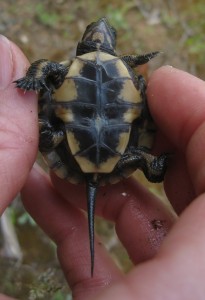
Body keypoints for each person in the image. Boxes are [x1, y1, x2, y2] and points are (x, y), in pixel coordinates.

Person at [0, 34, 205, 300]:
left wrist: (35, 79)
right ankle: (151, 166)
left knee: (51, 134)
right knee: (138, 155)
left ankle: (145, 164)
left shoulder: (65, 70)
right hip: (118, 153)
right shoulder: (123, 64)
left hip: (66, 138)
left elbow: (45, 68)